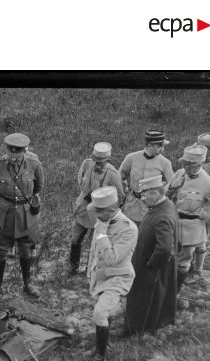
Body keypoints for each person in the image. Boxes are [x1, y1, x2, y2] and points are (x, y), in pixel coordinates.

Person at [86, 187, 138, 361]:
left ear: (113, 207)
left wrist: (101, 233)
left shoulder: (129, 229)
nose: (96, 214)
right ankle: (100, 344)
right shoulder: (102, 219)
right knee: (103, 311)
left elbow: (111, 258)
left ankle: (100, 356)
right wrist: (89, 271)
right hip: (100, 276)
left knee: (99, 313)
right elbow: (95, 250)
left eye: (99, 210)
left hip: (118, 276)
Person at [0, 132, 44, 297]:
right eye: (10, 153)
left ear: (24, 151)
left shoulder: (34, 164)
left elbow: (38, 187)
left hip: (25, 215)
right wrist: (0, 204)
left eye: (17, 154)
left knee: (26, 251)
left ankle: (28, 284)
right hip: (4, 214)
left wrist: (26, 202)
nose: (13, 157)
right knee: (0, 251)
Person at [126, 175, 178, 334]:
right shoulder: (164, 206)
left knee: (146, 298)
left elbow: (164, 249)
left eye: (144, 194)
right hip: (146, 262)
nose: (142, 198)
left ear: (155, 193)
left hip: (151, 268)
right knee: (152, 296)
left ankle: (140, 330)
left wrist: (150, 265)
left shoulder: (163, 216)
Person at [167, 144, 210, 293]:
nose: (187, 168)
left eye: (191, 165)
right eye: (185, 164)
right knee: (172, 253)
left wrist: (206, 215)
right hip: (175, 221)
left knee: (185, 259)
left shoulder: (208, 183)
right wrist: (172, 187)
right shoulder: (179, 173)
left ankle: (175, 291)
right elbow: (164, 195)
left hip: (193, 225)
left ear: (200, 164)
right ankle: (169, 281)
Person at [69, 142, 124, 275]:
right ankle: (73, 267)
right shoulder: (87, 164)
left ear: (108, 160)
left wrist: (108, 211)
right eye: (96, 160)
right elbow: (80, 178)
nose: (97, 163)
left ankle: (91, 270)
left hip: (100, 213)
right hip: (83, 208)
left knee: (96, 243)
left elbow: (120, 197)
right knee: (75, 239)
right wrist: (84, 193)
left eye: (101, 161)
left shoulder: (113, 174)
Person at [119, 130, 174, 226]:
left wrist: (160, 195)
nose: (163, 149)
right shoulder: (131, 158)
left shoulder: (165, 163)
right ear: (149, 146)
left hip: (153, 207)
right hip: (132, 205)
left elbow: (171, 183)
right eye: (160, 146)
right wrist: (124, 191)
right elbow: (120, 177)